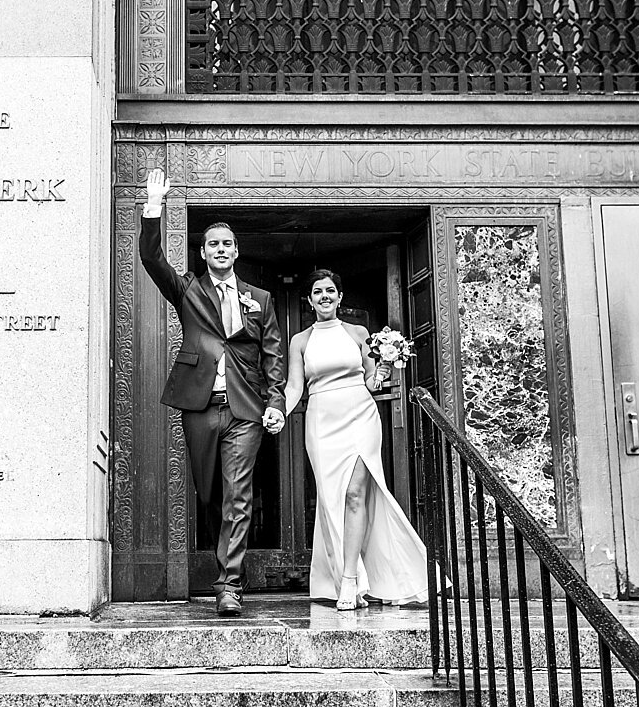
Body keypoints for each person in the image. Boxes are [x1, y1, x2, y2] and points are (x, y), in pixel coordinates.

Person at [139, 168, 286, 617]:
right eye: (213, 245)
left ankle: (229, 585)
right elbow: (151, 259)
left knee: (238, 493)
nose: (221, 250)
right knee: (212, 493)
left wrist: (276, 403)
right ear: (203, 253)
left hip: (245, 409)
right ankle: (223, 563)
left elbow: (273, 357)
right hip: (201, 407)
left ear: (236, 252)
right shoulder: (187, 289)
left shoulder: (260, 299)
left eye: (227, 244)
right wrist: (153, 207)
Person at [282, 268, 429, 610]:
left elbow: (371, 379)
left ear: (340, 296)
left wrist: (384, 370)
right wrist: (279, 413)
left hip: (360, 416)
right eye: (317, 291)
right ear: (309, 300)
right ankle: (341, 575)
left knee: (354, 494)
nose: (324, 296)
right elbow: (294, 387)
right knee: (332, 499)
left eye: (330, 290)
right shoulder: (300, 341)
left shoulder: (359, 332)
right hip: (321, 421)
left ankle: (350, 580)